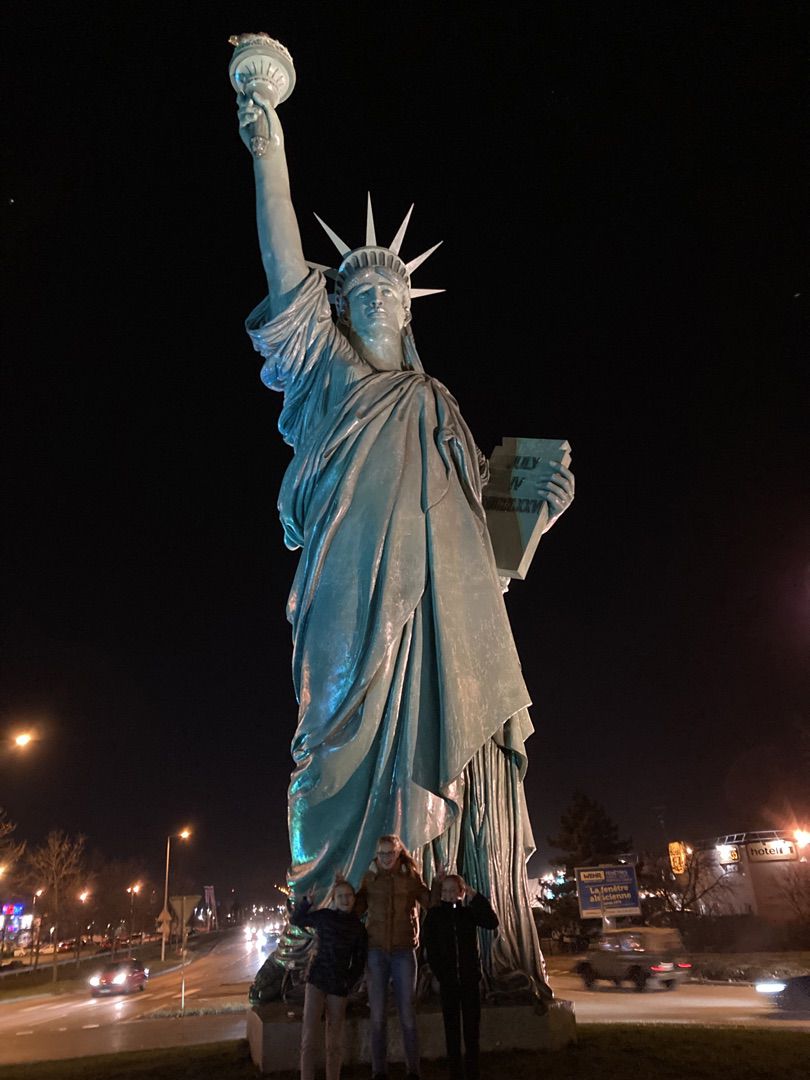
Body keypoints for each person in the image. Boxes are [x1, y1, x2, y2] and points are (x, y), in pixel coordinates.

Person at [235, 52, 574, 994]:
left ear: (410, 308)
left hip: (439, 620)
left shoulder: (440, 412)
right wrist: (267, 137)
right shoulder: (329, 378)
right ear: (341, 311)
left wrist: (537, 517)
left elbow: (482, 566)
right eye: (360, 291)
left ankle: (440, 944)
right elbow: (281, 260)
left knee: (442, 760)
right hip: (347, 597)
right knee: (330, 750)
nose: (378, 295)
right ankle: (317, 930)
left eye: (391, 289)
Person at [354, 835, 430, 1080]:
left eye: (390, 853)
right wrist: (341, 893)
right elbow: (357, 908)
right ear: (377, 854)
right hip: (376, 950)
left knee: (407, 1013)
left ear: (399, 853)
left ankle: (413, 1070)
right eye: (382, 853)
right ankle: (379, 1071)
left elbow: (429, 901)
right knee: (377, 1015)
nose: (386, 857)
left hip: (403, 951)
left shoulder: (409, 876)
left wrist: (439, 885)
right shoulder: (370, 877)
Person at [290, 878, 368, 1080]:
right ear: (333, 899)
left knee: (334, 1042)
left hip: (338, 986)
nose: (345, 899)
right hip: (317, 981)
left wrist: (348, 981)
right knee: (309, 1038)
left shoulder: (358, 928)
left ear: (354, 898)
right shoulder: (325, 916)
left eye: (348, 895)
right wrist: (307, 902)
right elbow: (296, 920)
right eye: (340, 896)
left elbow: (359, 961)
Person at [422, 874, 498, 1080]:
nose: (448, 895)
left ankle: (473, 1070)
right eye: (445, 891)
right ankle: (455, 1071)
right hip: (448, 981)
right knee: (452, 1027)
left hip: (469, 978)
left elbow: (492, 922)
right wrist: (440, 973)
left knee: (472, 1028)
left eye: (453, 891)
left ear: (461, 893)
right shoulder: (434, 915)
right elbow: (431, 946)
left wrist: (475, 896)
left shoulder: (468, 913)